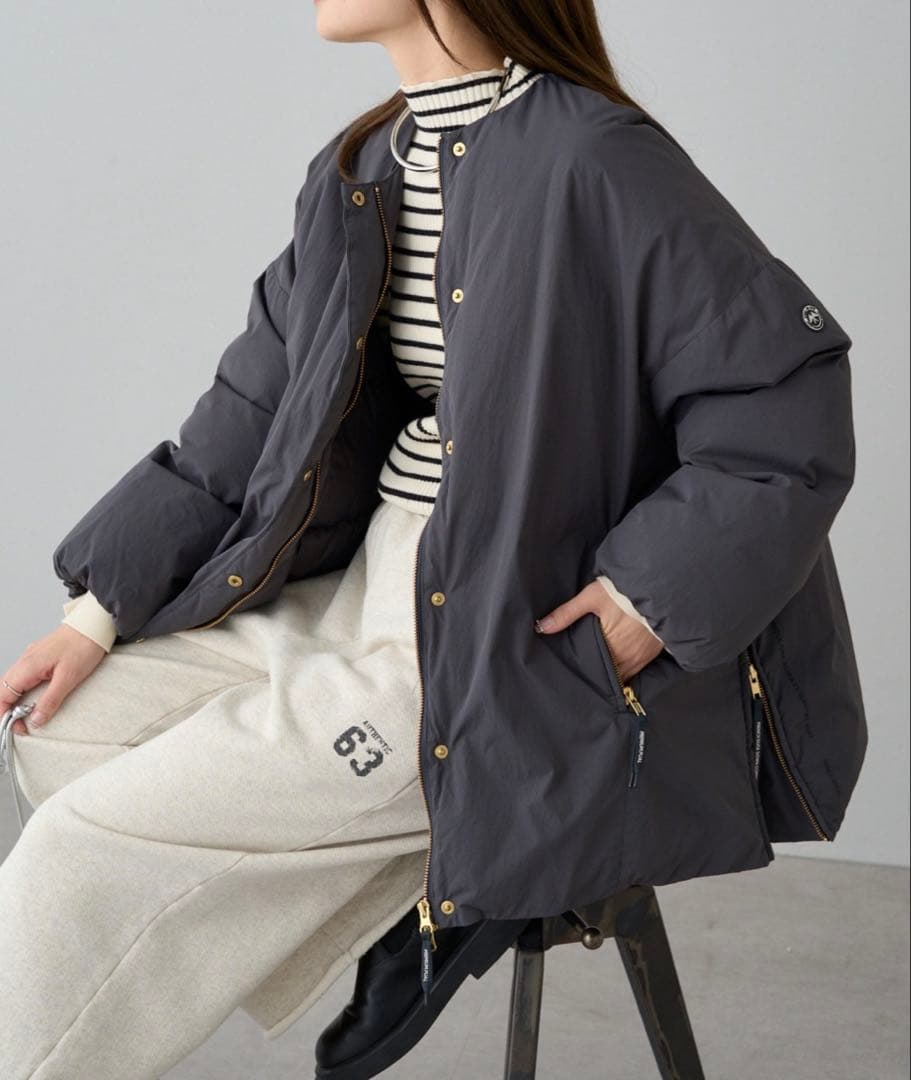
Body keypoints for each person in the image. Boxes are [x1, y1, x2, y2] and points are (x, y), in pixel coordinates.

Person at [0, 0, 867, 1078]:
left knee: (80, 854)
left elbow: (782, 407)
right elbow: (252, 406)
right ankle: (440, 883)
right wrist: (96, 614)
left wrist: (635, 611)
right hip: (364, 583)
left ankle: (463, 861)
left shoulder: (595, 160)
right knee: (62, 736)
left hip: (495, 620)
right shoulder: (367, 163)